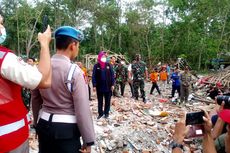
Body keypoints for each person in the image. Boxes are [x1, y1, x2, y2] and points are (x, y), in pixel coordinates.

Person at [32, 26, 95, 153]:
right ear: (73, 45)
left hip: (44, 126)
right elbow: (82, 109)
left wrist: (36, 124)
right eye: (78, 46)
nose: (78, 49)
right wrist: (89, 141)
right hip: (66, 132)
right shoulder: (74, 72)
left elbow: (35, 99)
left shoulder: (42, 67)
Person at [0, 13, 52, 153]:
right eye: (0, 23)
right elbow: (44, 81)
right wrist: (45, 44)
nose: (2, 28)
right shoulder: (4, 59)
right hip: (9, 141)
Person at [92, 51, 115, 119]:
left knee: (107, 100)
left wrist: (113, 84)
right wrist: (94, 85)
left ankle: (106, 113)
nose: (104, 58)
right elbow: (94, 76)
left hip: (108, 86)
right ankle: (100, 113)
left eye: (105, 57)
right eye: (102, 57)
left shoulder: (109, 65)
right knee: (100, 101)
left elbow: (112, 75)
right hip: (99, 86)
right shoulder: (96, 66)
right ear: (99, 57)